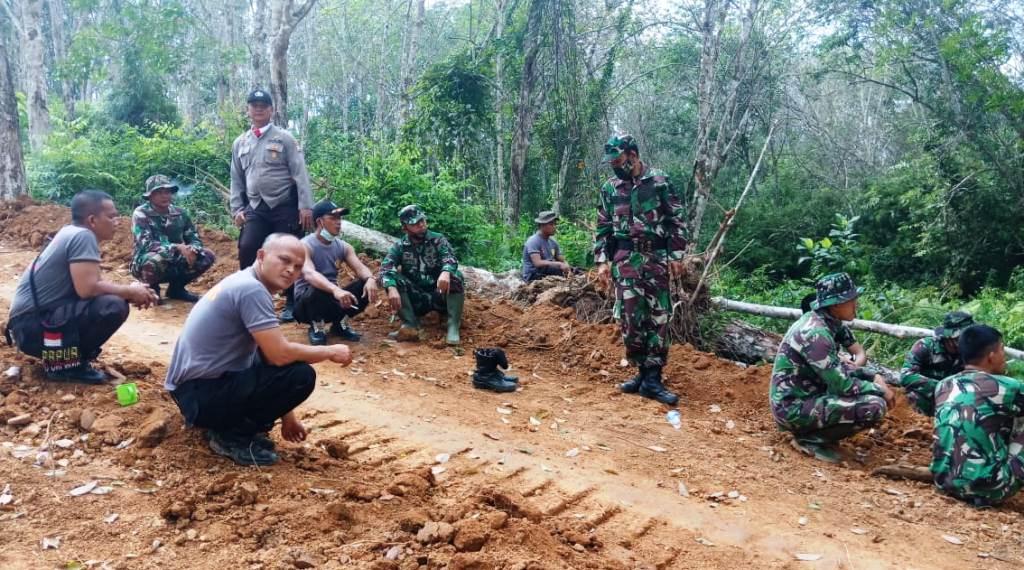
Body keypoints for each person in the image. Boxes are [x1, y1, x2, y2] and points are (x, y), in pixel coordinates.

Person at [164, 234, 352, 466]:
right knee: (301, 375)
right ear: (261, 256)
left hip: (196, 393)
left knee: (290, 365)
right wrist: (330, 352)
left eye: (297, 267)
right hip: (201, 397)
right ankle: (231, 436)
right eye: (284, 260)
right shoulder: (251, 290)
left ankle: (233, 428)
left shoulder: (245, 281)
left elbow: (266, 355)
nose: (290, 271)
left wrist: (287, 416)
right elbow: (279, 354)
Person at [4, 191, 158, 383]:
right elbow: (88, 290)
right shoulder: (83, 236)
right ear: (92, 220)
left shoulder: (71, 232)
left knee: (112, 299)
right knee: (113, 306)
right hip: (33, 328)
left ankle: (68, 359)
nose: (117, 221)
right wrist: (130, 292)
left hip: (27, 327)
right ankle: (66, 367)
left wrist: (133, 290)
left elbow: (92, 288)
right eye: (111, 216)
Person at [593, 134, 687, 406]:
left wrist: (677, 255)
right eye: (611, 162)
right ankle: (641, 373)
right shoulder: (611, 188)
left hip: (655, 257)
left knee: (658, 317)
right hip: (625, 260)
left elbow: (676, 220)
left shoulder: (659, 181)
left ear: (632, 154)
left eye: (618, 160)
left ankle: (653, 378)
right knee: (630, 319)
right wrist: (602, 261)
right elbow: (603, 226)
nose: (614, 166)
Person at [769, 272, 895, 463]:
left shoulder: (828, 324)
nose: (857, 304)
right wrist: (880, 389)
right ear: (837, 304)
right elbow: (842, 385)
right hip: (792, 408)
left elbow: (838, 369)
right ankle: (809, 439)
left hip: (805, 399)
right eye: (852, 299)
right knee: (874, 405)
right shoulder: (816, 333)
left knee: (872, 397)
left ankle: (816, 434)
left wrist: (871, 376)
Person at [230, 88, 314, 322]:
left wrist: (306, 206)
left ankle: (291, 301)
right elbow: (236, 178)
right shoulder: (240, 143)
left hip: (284, 205)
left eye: (263, 105)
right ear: (248, 110)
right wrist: (237, 208)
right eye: (253, 105)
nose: (258, 109)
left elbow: (300, 172)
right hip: (255, 207)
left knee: (289, 253)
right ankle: (247, 297)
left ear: (271, 110)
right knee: (248, 247)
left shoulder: (284, 138)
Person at [932, 324, 1024, 506]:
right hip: (991, 488)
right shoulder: (1008, 387)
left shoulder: (943, 385)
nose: (1004, 356)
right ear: (991, 357)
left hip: (944, 482)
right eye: (1002, 350)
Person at [293, 199, 379, 345]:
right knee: (316, 287)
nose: (338, 222)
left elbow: (359, 268)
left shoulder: (344, 247)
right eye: (333, 218)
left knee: (365, 284)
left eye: (339, 218)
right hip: (306, 304)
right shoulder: (304, 245)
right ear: (319, 221)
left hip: (332, 299)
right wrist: (335, 290)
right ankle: (317, 326)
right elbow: (309, 274)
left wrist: (371, 278)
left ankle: (340, 324)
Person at [379, 205, 465, 345]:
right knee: (393, 279)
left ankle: (453, 325)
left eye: (422, 220)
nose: (421, 224)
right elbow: (385, 269)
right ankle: (410, 324)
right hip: (417, 298)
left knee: (456, 275)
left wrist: (445, 271)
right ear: (405, 228)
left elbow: (450, 258)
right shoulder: (400, 246)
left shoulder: (438, 239)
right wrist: (391, 287)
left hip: (439, 293)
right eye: (415, 223)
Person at [130, 174, 216, 303]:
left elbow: (194, 238)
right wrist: (177, 247)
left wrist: (193, 249)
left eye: (168, 192)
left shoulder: (180, 213)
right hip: (145, 261)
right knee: (155, 259)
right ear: (150, 196)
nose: (165, 196)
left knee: (207, 255)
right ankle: (152, 290)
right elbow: (146, 244)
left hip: (174, 257)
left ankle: (176, 289)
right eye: (159, 192)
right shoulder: (141, 213)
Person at [899, 311, 973, 416]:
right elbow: (906, 376)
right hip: (926, 396)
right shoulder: (926, 346)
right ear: (950, 337)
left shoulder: (970, 351)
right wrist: (941, 386)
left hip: (954, 400)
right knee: (912, 398)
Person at [522, 210, 572, 282]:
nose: (554, 227)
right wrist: (559, 264)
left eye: (555, 224)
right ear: (542, 225)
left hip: (546, 271)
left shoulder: (553, 241)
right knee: (556, 269)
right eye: (551, 224)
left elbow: (560, 258)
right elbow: (537, 263)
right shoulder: (533, 241)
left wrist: (566, 264)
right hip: (533, 275)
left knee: (574, 270)